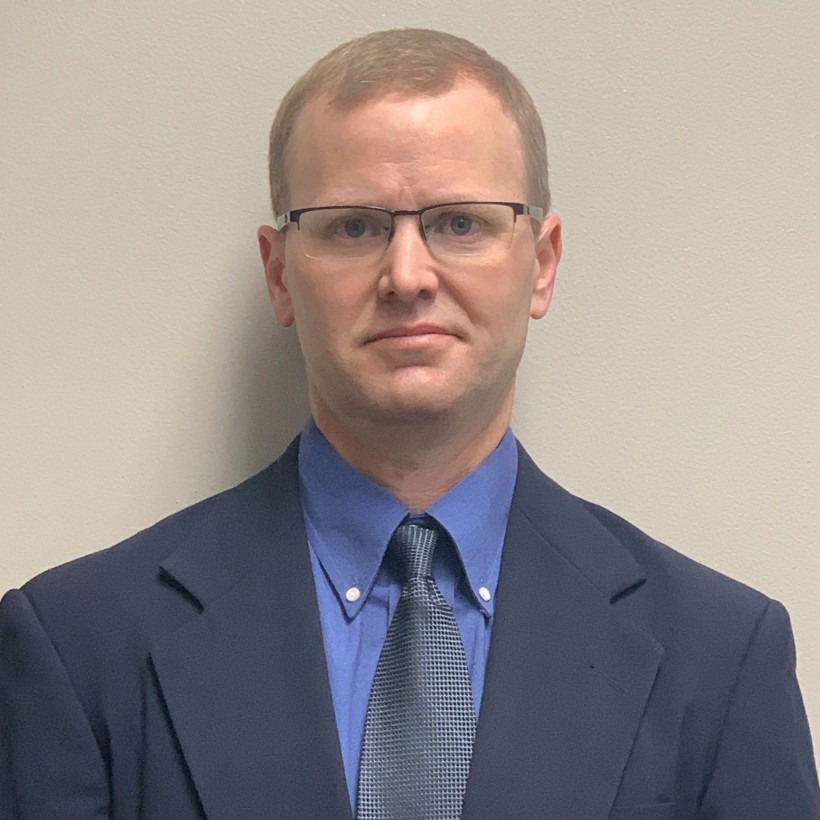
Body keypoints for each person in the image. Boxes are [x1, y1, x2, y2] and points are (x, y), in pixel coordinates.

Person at [1, 27, 818, 820]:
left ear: (542, 263)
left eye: (460, 223)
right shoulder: (78, 645)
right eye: (353, 226)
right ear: (279, 275)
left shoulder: (722, 656)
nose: (406, 275)